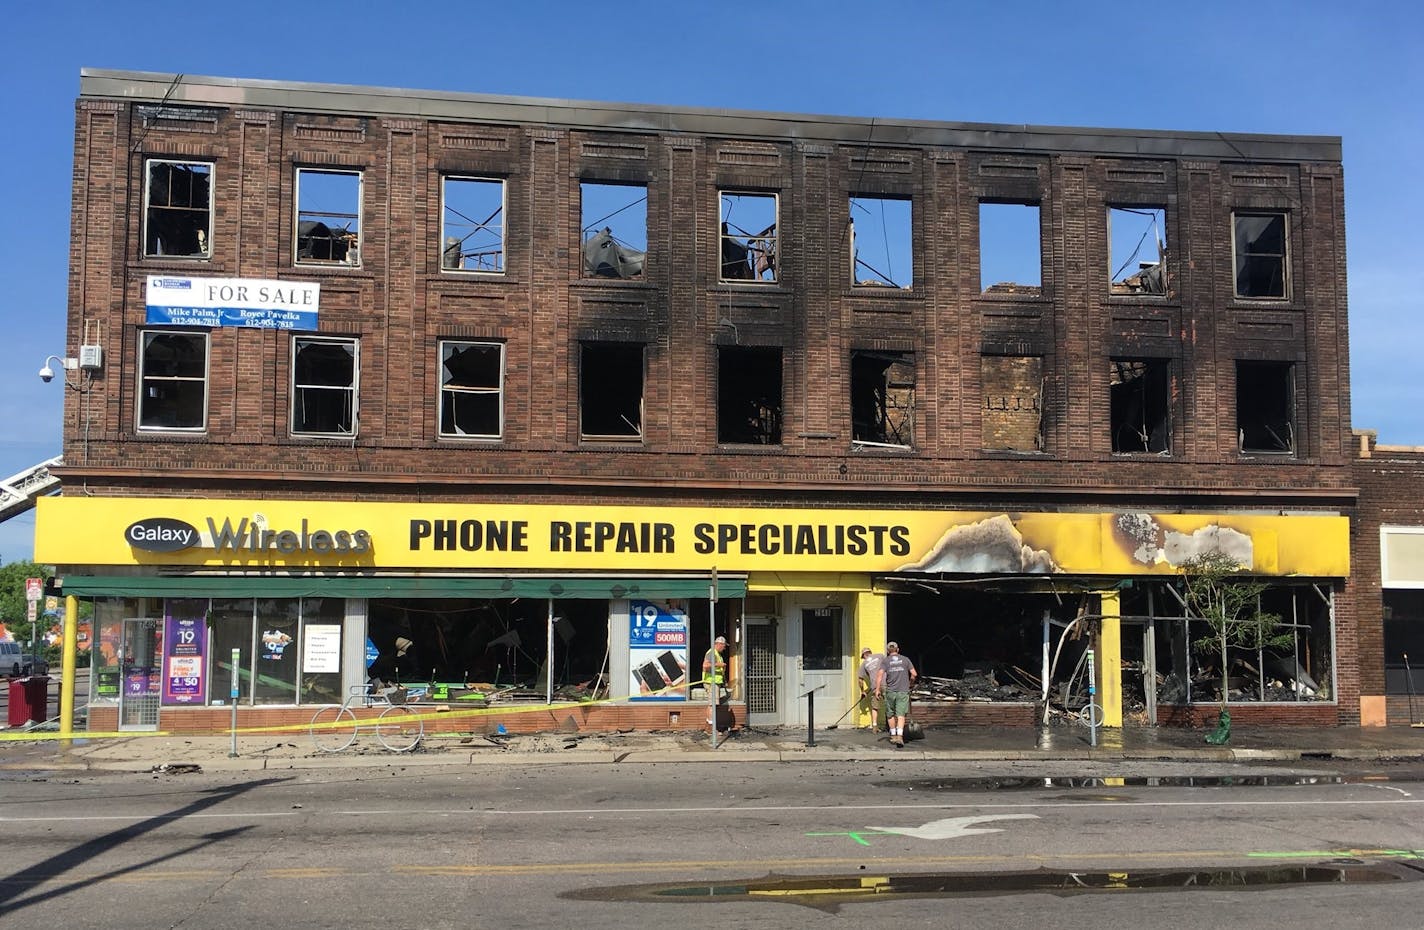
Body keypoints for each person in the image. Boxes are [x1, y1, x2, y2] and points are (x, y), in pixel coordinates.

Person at [875, 641, 917, 747]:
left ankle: (893, 736)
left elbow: (879, 675)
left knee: (890, 714)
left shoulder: (886, 661)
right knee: (901, 715)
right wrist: (910, 683)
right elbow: (914, 674)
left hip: (890, 692)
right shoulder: (905, 659)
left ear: (888, 651)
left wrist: (877, 690)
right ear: (898, 650)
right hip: (903, 691)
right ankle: (900, 736)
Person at [857, 647, 885, 732]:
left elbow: (860, 680)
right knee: (890, 704)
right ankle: (892, 726)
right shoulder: (880, 656)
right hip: (886, 683)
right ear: (870, 652)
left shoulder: (864, 664)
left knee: (875, 706)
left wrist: (862, 691)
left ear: (864, 655)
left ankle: (875, 727)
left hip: (875, 686)